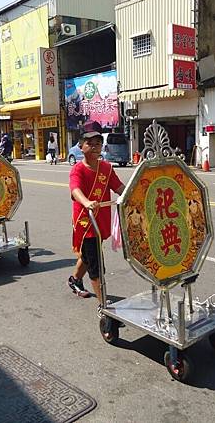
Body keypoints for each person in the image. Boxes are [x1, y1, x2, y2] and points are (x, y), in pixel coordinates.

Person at [68, 121, 125, 310]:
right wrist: (86, 202)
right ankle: (104, 305)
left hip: (100, 221)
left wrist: (132, 195)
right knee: (96, 263)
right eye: (89, 143)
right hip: (86, 222)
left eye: (98, 143)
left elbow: (119, 187)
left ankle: (74, 279)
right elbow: (75, 189)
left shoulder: (107, 168)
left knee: (87, 255)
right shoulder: (78, 169)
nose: (94, 147)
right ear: (81, 146)